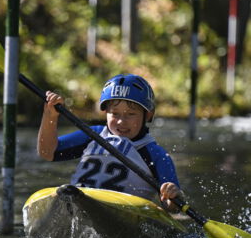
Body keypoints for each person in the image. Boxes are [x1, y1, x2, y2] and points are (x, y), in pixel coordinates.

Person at [37, 73, 184, 212]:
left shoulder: (155, 154)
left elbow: (172, 206)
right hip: (79, 202)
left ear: (148, 115)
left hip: (124, 213)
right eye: (114, 113)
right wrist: (50, 116)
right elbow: (47, 152)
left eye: (131, 114)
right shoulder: (92, 135)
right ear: (105, 112)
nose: (121, 121)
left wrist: (172, 195)